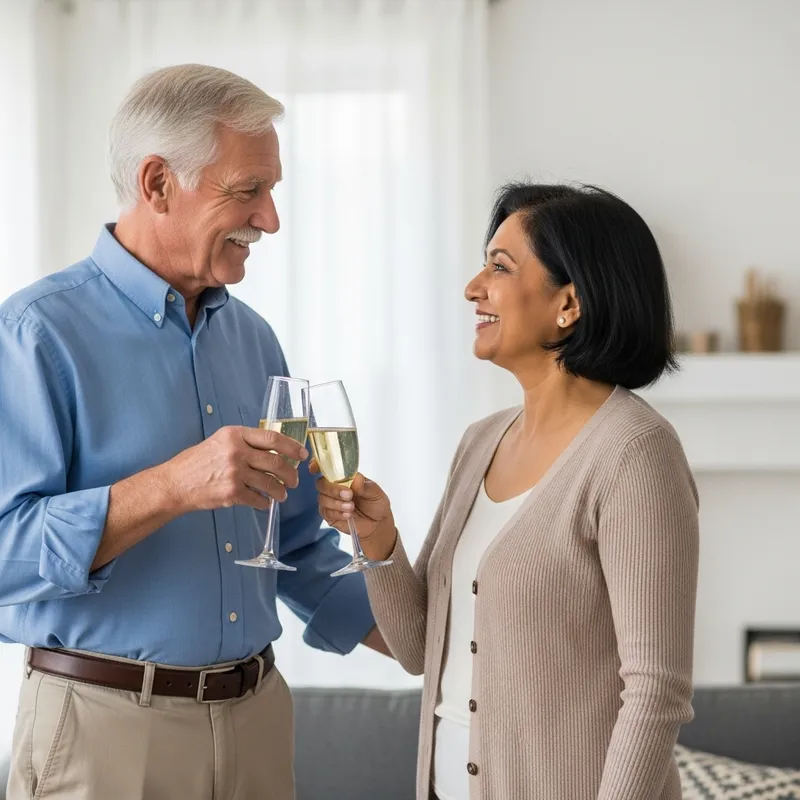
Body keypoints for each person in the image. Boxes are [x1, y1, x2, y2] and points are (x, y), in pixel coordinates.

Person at [0, 64, 386, 800]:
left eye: (272, 191)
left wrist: (434, 642)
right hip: (107, 735)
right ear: (156, 184)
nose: (270, 219)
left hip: (258, 722)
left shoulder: (255, 340)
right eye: (248, 191)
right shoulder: (34, 335)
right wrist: (174, 486)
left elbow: (297, 544)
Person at [313, 183, 700, 799]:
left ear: (568, 303)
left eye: (499, 266)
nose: (474, 287)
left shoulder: (634, 452)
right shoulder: (480, 443)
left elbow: (656, 690)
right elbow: (418, 651)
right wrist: (381, 544)